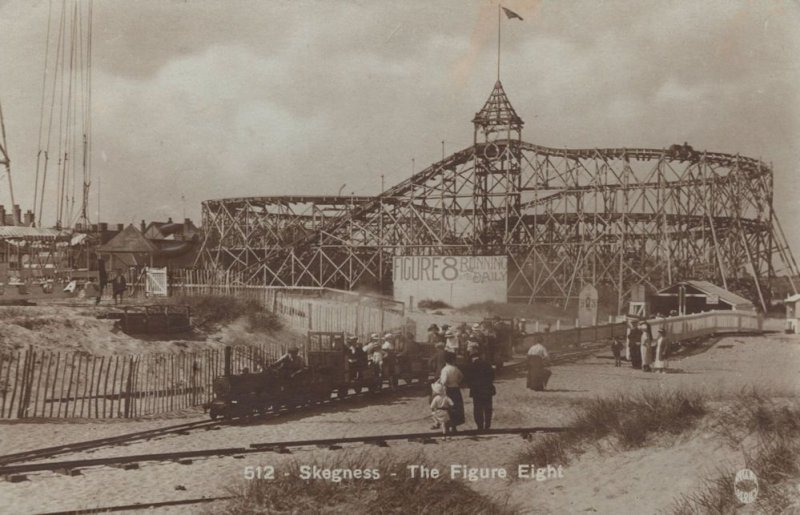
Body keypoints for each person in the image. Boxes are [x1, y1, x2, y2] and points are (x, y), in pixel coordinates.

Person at [466, 353, 495, 431]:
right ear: (480, 357)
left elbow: (468, 379)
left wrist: (471, 386)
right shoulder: (487, 364)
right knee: (488, 408)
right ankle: (487, 426)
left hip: (476, 391)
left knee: (477, 409)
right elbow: (492, 376)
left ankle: (480, 426)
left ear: (472, 358)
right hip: (487, 390)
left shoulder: (471, 366)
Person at [439, 353, 465, 432]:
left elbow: (444, 381)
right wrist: (457, 382)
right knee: (456, 408)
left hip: (448, 390)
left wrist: (441, 384)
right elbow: (461, 377)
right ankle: (454, 427)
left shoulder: (445, 369)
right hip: (456, 389)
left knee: (447, 408)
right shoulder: (455, 368)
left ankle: (447, 427)